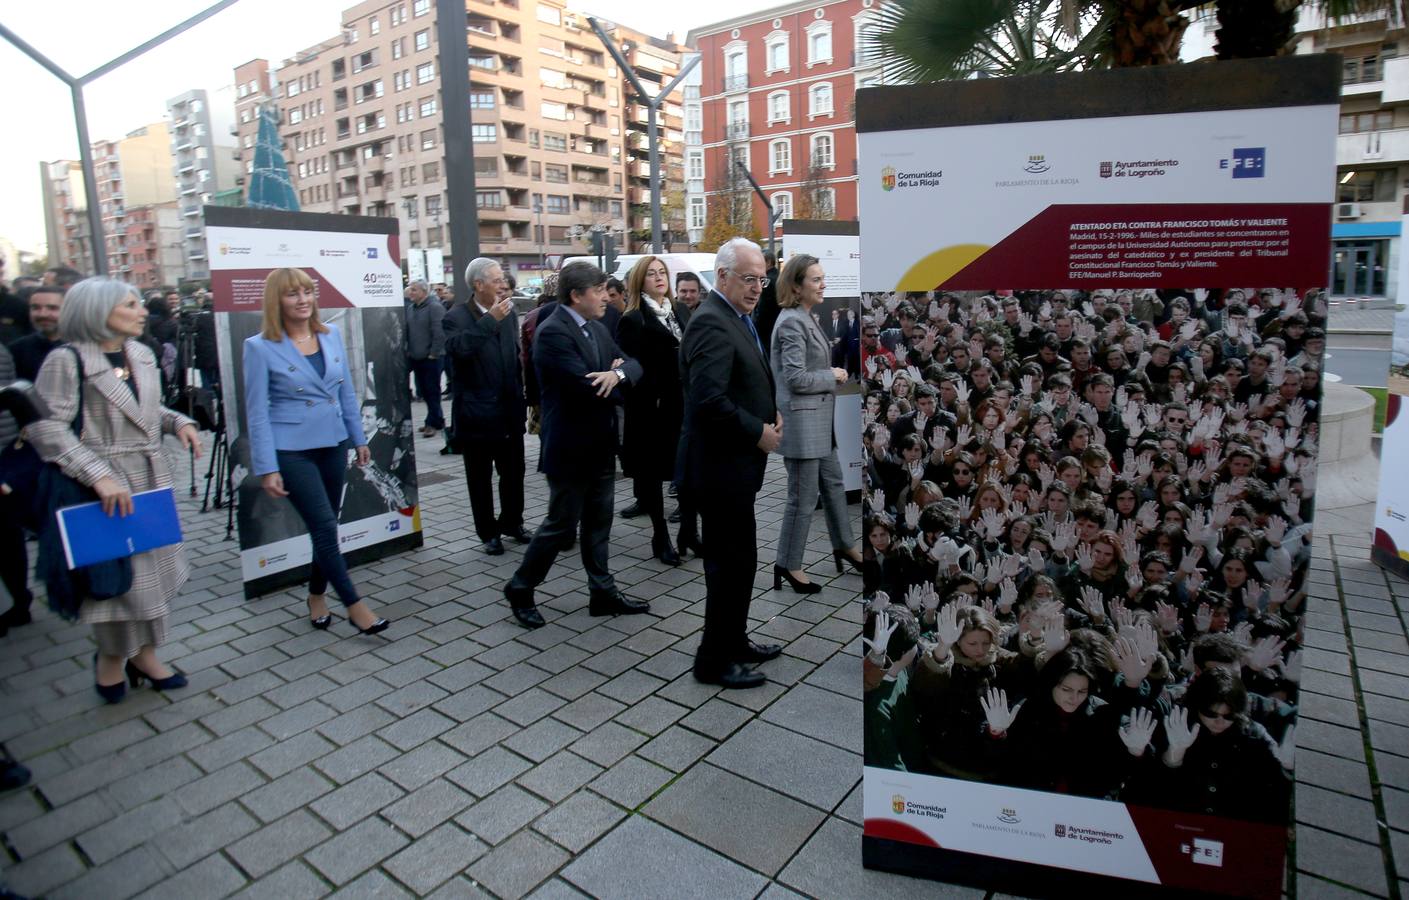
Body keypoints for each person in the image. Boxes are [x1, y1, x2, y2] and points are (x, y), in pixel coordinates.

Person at [26, 277, 204, 702]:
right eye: (130, 304)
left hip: (149, 482)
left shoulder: (140, 353)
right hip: (100, 489)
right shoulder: (66, 360)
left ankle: (144, 655)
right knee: (117, 583)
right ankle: (111, 658)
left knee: (152, 578)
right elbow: (46, 428)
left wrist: (177, 421)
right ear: (97, 310)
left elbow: (146, 410)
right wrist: (97, 474)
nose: (142, 312)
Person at [242, 268, 388, 636]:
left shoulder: (330, 334)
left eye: (307, 292)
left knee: (327, 527)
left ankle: (316, 594)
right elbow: (257, 413)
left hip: (333, 443)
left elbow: (346, 392)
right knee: (323, 525)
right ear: (276, 300)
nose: (303, 300)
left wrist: (358, 439)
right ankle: (355, 606)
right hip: (291, 451)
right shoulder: (259, 347)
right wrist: (267, 467)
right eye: (293, 294)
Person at [502, 262, 646, 629]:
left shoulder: (596, 328)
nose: (606, 297)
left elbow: (634, 366)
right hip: (570, 448)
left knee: (599, 523)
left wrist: (617, 373)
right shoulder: (553, 332)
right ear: (576, 295)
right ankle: (520, 587)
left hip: (600, 443)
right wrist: (615, 381)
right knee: (561, 525)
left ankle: (603, 592)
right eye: (598, 291)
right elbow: (586, 387)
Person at [683, 238, 781, 689]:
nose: (758, 287)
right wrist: (757, 430)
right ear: (722, 276)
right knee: (727, 566)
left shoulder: (736, 317)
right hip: (720, 469)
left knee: (742, 561)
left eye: (762, 279)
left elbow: (744, 380)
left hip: (737, 468)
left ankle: (735, 641)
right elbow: (708, 400)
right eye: (749, 278)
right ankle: (712, 661)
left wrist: (770, 411)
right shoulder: (711, 322)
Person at [770, 253, 862, 593]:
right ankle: (788, 564)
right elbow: (794, 378)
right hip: (802, 425)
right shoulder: (791, 322)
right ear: (796, 286)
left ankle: (845, 546)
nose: (823, 285)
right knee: (803, 498)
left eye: (823, 278)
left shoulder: (804, 317)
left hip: (818, 423)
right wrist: (832, 375)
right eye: (816, 279)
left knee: (834, 486)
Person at [445, 258, 532, 556]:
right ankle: (488, 532)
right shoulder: (455, 316)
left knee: (514, 473)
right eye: (496, 280)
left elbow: (514, 359)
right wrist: (489, 320)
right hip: (476, 416)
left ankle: (513, 522)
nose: (502, 285)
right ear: (478, 284)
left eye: (502, 280)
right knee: (480, 478)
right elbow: (459, 349)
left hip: (509, 412)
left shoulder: (507, 313)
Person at [617, 257, 691, 566]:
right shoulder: (634, 319)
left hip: (682, 403)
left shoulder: (679, 310)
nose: (659, 277)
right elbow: (631, 368)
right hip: (651, 409)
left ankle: (689, 532)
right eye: (651, 274)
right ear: (640, 281)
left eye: (662, 272)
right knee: (652, 474)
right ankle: (660, 536)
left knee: (685, 469)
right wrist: (655, 392)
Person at [405, 279, 446, 437]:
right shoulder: (411, 308)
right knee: (424, 391)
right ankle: (438, 419)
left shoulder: (434, 307)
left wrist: (433, 353)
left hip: (431, 358)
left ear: (423, 291)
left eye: (414, 289)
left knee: (432, 391)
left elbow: (439, 332)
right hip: (417, 358)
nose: (410, 292)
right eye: (410, 289)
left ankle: (432, 423)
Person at [9, 284, 65, 381]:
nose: (43, 314)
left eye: (52, 308)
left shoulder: (83, 348)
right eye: (36, 308)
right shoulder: (16, 350)